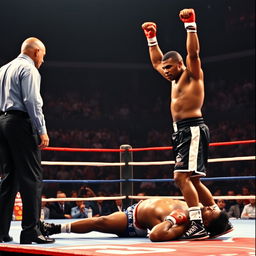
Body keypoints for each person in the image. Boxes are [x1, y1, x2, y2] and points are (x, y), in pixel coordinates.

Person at [141, 9, 225, 240]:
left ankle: (196, 223)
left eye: (169, 67)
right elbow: (157, 61)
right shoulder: (172, 78)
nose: (165, 71)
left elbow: (194, 53)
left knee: (181, 178)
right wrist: (151, 38)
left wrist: (190, 25)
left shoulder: (193, 75)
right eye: (164, 68)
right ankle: (218, 218)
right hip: (181, 132)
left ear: (180, 64)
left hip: (193, 128)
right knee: (194, 180)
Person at [0, 37, 54, 244]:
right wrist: (42, 130)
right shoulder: (29, 69)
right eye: (43, 55)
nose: (43, 60)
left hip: (2, 123)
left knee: (10, 178)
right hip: (19, 122)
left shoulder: (4, 69)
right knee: (32, 178)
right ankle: (30, 231)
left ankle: (1, 232)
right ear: (36, 51)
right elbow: (31, 100)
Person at [40, 198, 233, 242]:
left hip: (134, 222)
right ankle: (53, 228)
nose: (209, 207)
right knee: (100, 221)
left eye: (211, 212)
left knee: (100, 222)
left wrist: (172, 220)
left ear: (206, 223)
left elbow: (156, 236)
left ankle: (54, 228)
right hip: (137, 207)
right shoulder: (195, 207)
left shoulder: (183, 226)